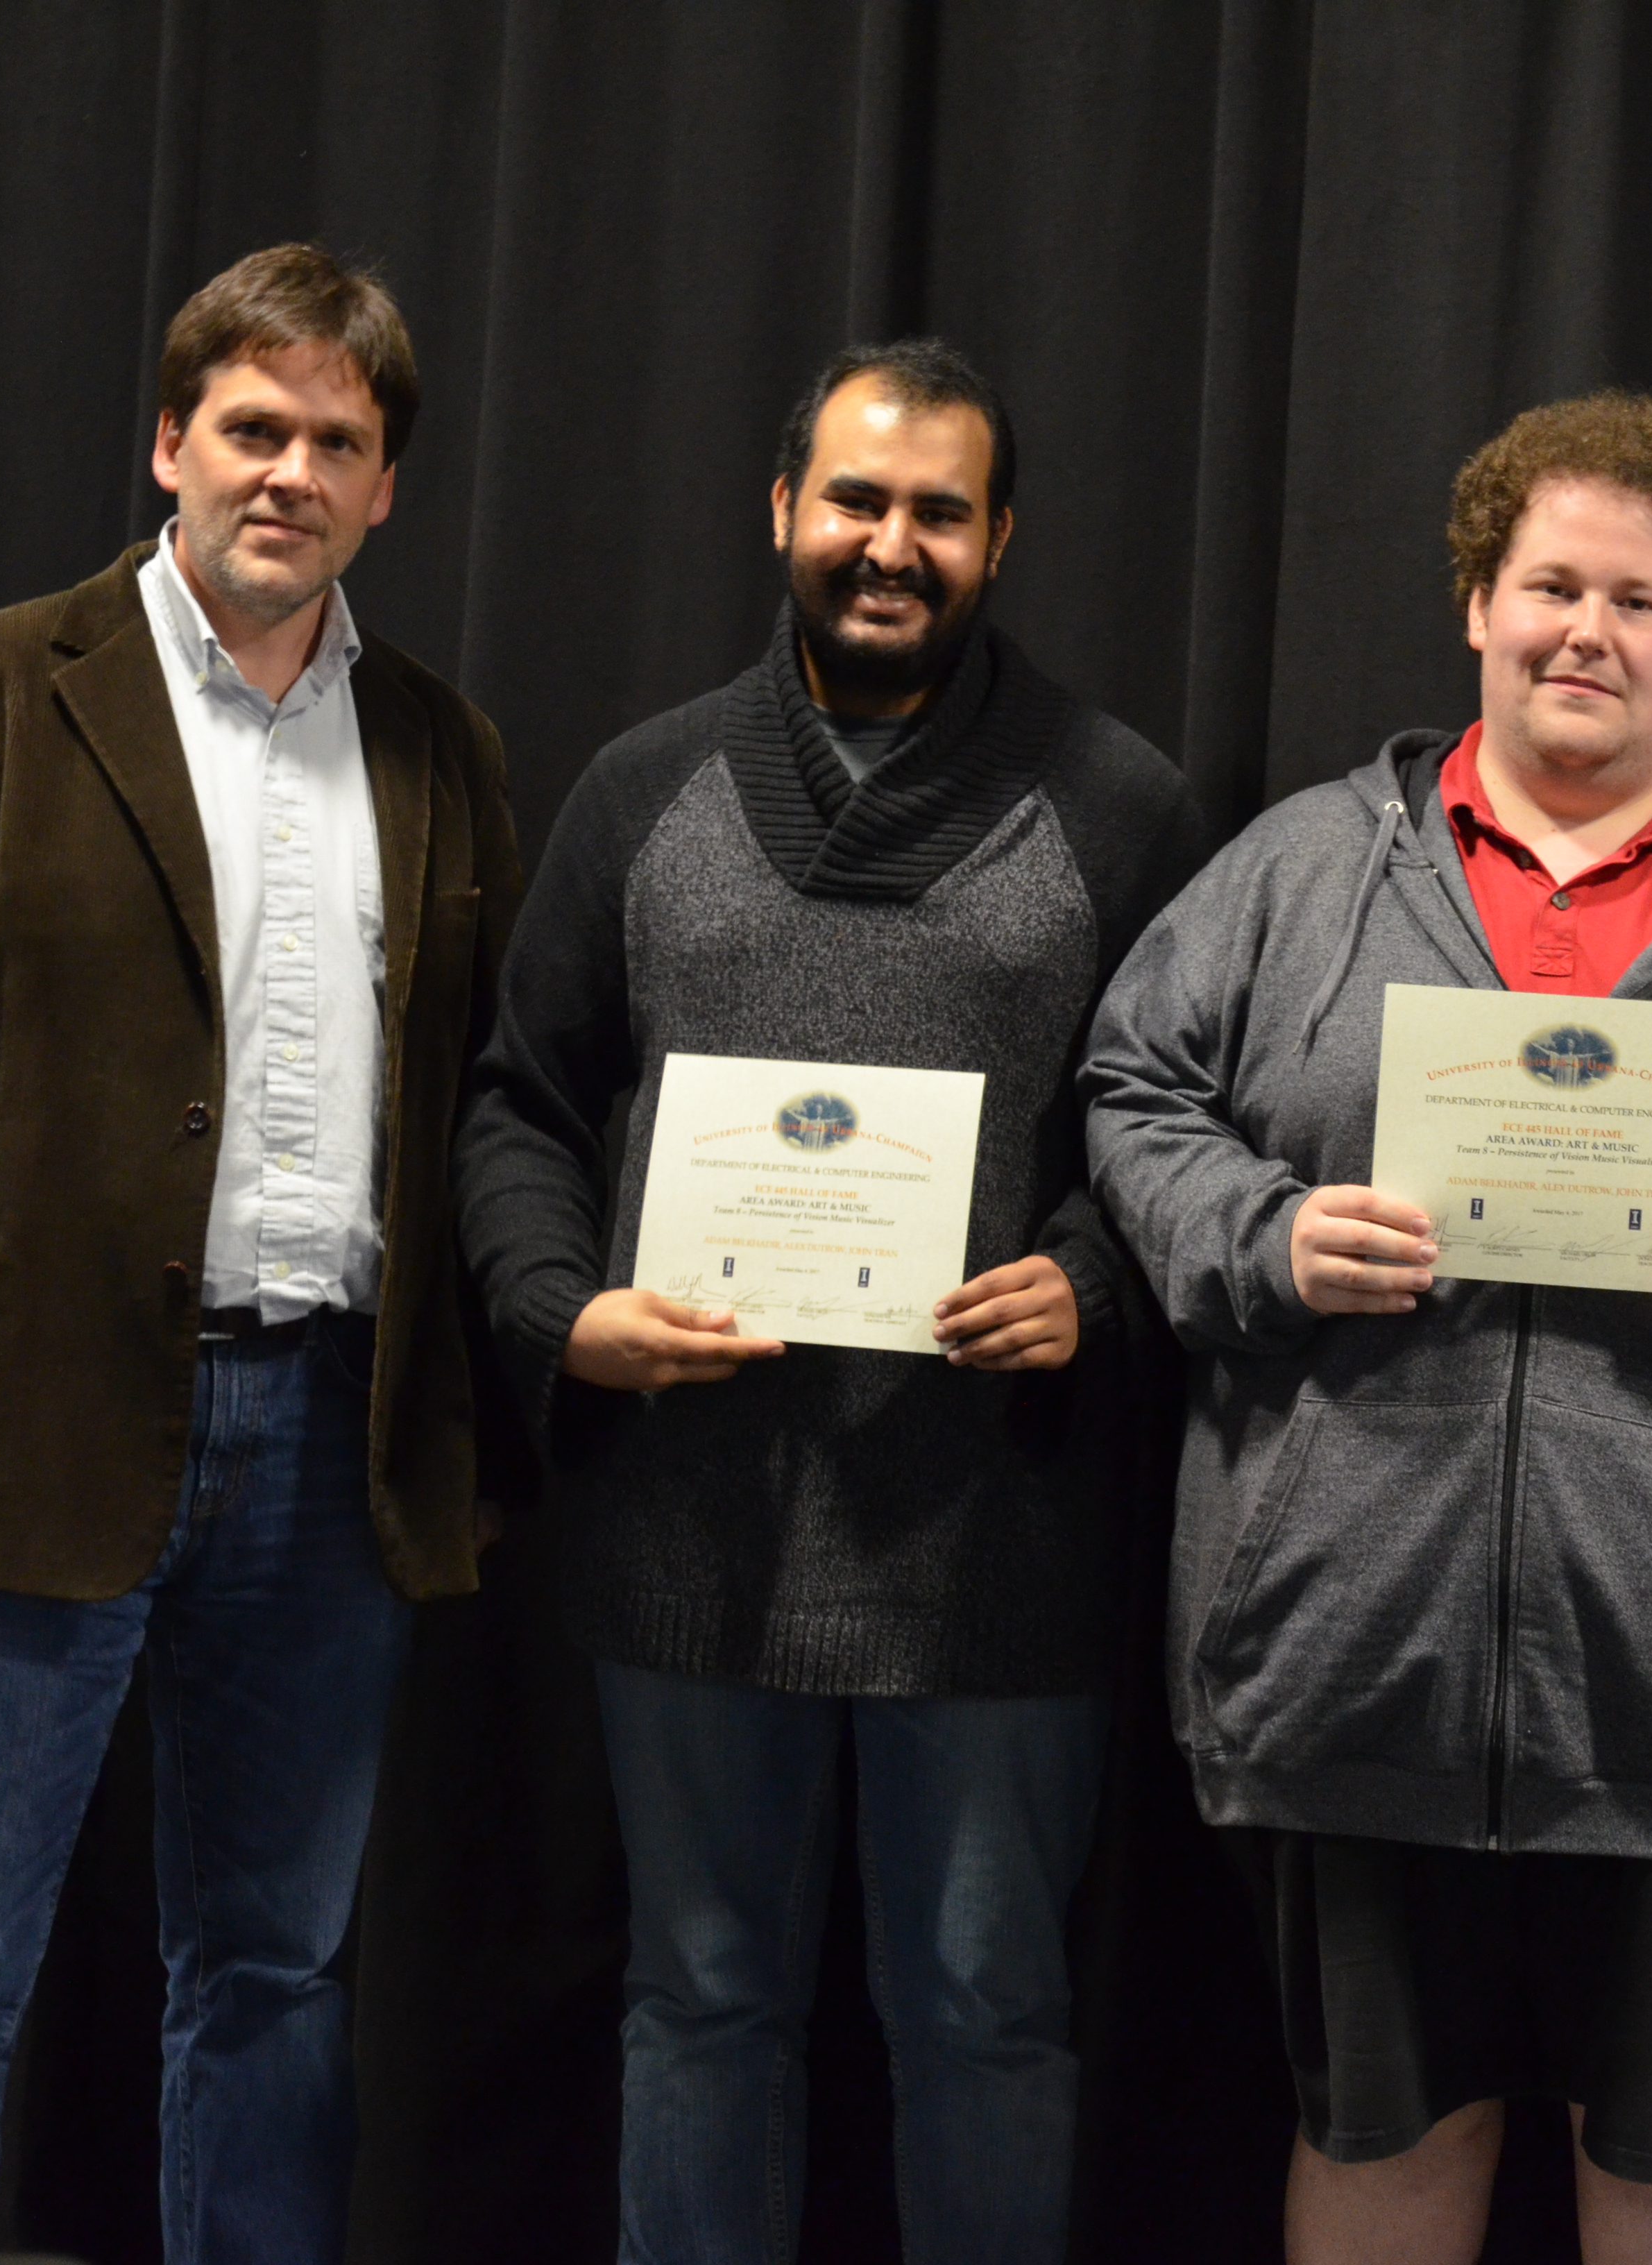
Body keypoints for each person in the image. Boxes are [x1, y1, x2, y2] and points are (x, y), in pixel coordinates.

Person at [1084, 391, 1652, 2264]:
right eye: (1551, 585)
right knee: (1384, 2151)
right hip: (1353, 1661)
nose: (1590, 630)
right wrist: (1260, 1235)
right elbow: (1132, 1091)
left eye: (1640, 601)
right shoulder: (1306, 871)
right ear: (1477, 605)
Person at [454, 339, 1207, 2265]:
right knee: (699, 2012)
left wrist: (1099, 1281)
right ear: (781, 510)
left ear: (1002, 538)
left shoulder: (1121, 804)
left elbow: (1191, 1124)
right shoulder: (647, 788)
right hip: (688, 1526)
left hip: (995, 1543)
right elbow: (522, 1105)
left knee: (984, 2020)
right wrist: (558, 1317)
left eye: (939, 511)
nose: (893, 545)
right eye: (857, 501)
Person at [0, 244, 521, 2262]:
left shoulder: (440, 747)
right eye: (252, 428)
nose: (289, 473)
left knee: (273, 1977)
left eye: (337, 441)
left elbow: (473, 1105)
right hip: (18, 1439)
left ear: (387, 485)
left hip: (330, 1445)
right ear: (170, 443)